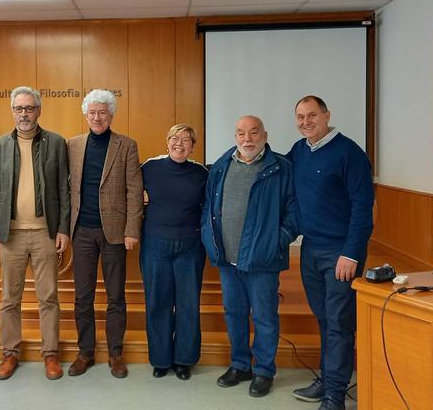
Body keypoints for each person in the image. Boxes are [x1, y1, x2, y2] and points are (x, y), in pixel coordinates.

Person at [201, 115, 298, 398]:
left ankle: (264, 370)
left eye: (254, 133)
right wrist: (210, 238)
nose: (248, 139)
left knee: (265, 316)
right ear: (235, 137)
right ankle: (240, 364)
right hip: (227, 259)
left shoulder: (281, 168)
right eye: (241, 133)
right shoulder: (221, 166)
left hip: (262, 261)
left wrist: (275, 242)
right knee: (234, 313)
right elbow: (208, 207)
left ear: (265, 135)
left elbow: (293, 212)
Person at [287, 95, 374, 410]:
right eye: (300, 117)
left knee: (339, 321)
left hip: (341, 253)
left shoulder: (349, 153)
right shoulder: (299, 151)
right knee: (324, 318)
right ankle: (327, 379)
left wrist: (351, 253)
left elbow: (363, 208)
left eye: (312, 115)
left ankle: (335, 395)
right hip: (310, 249)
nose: (306, 122)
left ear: (326, 115)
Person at [0, 86, 71, 381]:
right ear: (12, 111)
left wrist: (62, 228)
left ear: (38, 111)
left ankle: (50, 354)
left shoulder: (56, 143)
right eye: (19, 108)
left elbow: (63, 189)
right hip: (11, 235)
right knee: (10, 298)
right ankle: (10, 353)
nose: (24, 114)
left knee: (48, 297)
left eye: (29, 108)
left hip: (46, 233)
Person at [66, 89, 143, 379]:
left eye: (102, 112)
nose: (97, 117)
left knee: (115, 296)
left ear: (111, 115)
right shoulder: (72, 145)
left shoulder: (126, 145)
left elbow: (135, 191)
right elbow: (66, 188)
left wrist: (131, 229)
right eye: (92, 113)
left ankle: (115, 353)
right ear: (85, 115)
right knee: (82, 297)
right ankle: (85, 353)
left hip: (114, 233)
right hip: (81, 231)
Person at [140, 124, 208, 380]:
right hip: (155, 244)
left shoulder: (201, 172)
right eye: (175, 138)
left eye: (186, 140)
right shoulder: (150, 167)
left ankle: (184, 360)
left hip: (190, 246)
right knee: (158, 302)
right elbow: (133, 196)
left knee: (188, 304)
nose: (180, 143)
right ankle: (160, 359)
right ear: (167, 141)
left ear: (193, 146)